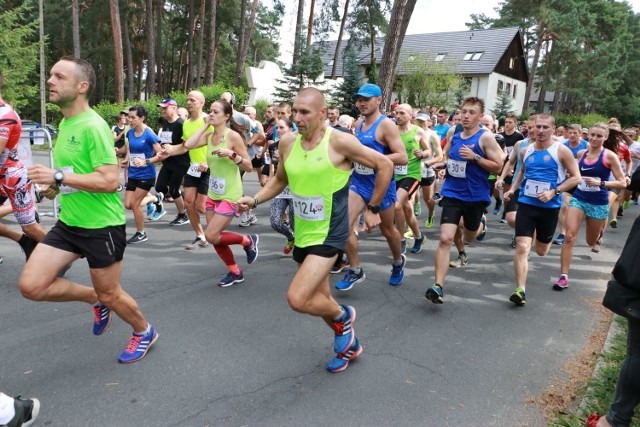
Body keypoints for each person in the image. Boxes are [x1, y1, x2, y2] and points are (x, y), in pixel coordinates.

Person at [237, 87, 394, 373]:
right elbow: (280, 180)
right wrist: (255, 199)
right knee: (319, 298)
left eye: (304, 112)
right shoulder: (287, 142)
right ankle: (349, 345)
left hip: (331, 233)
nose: (297, 117)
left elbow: (384, 165)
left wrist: (372, 208)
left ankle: (343, 317)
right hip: (304, 232)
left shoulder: (341, 142)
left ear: (323, 114)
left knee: (298, 298)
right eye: (294, 111)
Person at [22, 57, 158, 363]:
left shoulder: (94, 126)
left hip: (101, 227)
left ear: (82, 86)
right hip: (69, 224)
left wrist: (58, 176)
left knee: (113, 293)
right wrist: (53, 188)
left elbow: (110, 181)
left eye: (59, 76)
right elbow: (77, 173)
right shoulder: (67, 123)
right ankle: (95, 300)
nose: (50, 81)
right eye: (51, 75)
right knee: (32, 285)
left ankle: (144, 330)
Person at [162, 99, 259, 287]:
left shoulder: (233, 137)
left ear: (227, 116)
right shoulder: (209, 135)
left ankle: (248, 240)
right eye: (210, 112)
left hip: (231, 193)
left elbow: (248, 164)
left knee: (212, 235)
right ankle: (235, 272)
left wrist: (232, 155)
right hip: (214, 192)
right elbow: (188, 144)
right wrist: (205, 124)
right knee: (215, 238)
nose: (211, 114)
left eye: (215, 112)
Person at [425, 97, 504, 304]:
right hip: (452, 192)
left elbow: (498, 167)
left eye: (471, 112)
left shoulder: (485, 138)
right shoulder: (454, 134)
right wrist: (444, 166)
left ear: (479, 116)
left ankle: (480, 226)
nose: (466, 115)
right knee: (445, 238)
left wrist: (475, 157)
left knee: (470, 236)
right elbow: (449, 158)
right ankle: (438, 286)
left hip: (475, 196)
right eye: (464, 111)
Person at [502, 114, 580, 305]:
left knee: (542, 251)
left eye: (545, 127)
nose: (540, 130)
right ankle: (520, 289)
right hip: (527, 205)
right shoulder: (525, 150)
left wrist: (554, 192)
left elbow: (576, 177)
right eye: (537, 127)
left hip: (549, 208)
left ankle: (536, 237)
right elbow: (522, 171)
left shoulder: (561, 151)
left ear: (554, 129)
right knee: (522, 247)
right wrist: (512, 189)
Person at [335, 83, 407, 291]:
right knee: (343, 224)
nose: (361, 103)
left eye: (366, 99)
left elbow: (402, 157)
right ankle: (355, 270)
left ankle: (397, 261)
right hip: (358, 183)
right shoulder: (359, 123)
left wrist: (374, 159)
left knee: (387, 230)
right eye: (359, 99)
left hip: (381, 186)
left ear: (378, 100)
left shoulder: (386, 125)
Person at [554, 123, 626, 290]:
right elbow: (575, 174)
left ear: (605, 138)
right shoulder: (581, 153)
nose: (594, 138)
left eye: (599, 136)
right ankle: (563, 276)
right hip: (578, 198)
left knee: (589, 241)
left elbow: (622, 182)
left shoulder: (610, 157)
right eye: (592, 135)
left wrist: (601, 182)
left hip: (598, 202)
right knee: (570, 236)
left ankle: (598, 235)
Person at [0, 93, 47, 259]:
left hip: (12, 179)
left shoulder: (6, 116)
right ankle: (24, 242)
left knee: (29, 227)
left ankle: (62, 256)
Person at [122, 105, 164, 243]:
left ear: (142, 118)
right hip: (133, 173)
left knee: (135, 204)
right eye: (129, 117)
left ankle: (141, 233)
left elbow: (161, 154)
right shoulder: (130, 132)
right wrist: (125, 158)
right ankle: (154, 199)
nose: (130, 119)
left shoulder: (149, 134)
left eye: (133, 117)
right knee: (128, 204)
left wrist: (146, 161)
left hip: (146, 175)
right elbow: (129, 150)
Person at [394, 104, 431, 254]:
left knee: (397, 205)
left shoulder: (418, 131)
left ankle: (401, 239)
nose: (398, 116)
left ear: (411, 116)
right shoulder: (392, 131)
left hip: (412, 174)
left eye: (402, 113)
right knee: (407, 209)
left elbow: (428, 150)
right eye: (396, 113)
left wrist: (422, 155)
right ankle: (418, 236)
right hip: (395, 174)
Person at [181, 91, 211, 250]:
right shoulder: (185, 123)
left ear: (202, 102)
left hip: (209, 167)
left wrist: (207, 160)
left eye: (192, 100)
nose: (189, 102)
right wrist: (168, 151)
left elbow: (217, 141)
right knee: (188, 202)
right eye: (187, 100)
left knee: (201, 206)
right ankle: (201, 235)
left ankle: (215, 230)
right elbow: (185, 146)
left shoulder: (208, 120)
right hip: (193, 167)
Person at [154, 98, 190, 225]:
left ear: (174, 108)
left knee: (174, 190)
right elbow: (164, 141)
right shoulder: (165, 123)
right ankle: (181, 196)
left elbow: (186, 145)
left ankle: (182, 215)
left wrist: (173, 149)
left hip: (180, 162)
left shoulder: (181, 124)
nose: (163, 110)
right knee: (159, 187)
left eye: (165, 108)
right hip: (167, 161)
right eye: (162, 108)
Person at [268, 118, 295, 254]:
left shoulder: (298, 145)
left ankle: (302, 249)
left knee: (295, 223)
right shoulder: (273, 146)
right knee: (275, 221)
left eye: (282, 127)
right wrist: (270, 180)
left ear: (290, 129)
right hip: (280, 187)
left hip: (295, 188)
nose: (278, 130)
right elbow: (273, 165)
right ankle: (291, 237)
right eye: (277, 128)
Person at [415, 111, 443, 229]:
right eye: (418, 121)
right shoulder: (412, 132)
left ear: (429, 122)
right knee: (410, 197)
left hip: (427, 171)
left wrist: (427, 163)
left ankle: (431, 213)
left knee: (428, 199)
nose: (420, 124)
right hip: (413, 170)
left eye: (423, 121)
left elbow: (440, 156)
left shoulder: (432, 135)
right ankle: (410, 226)